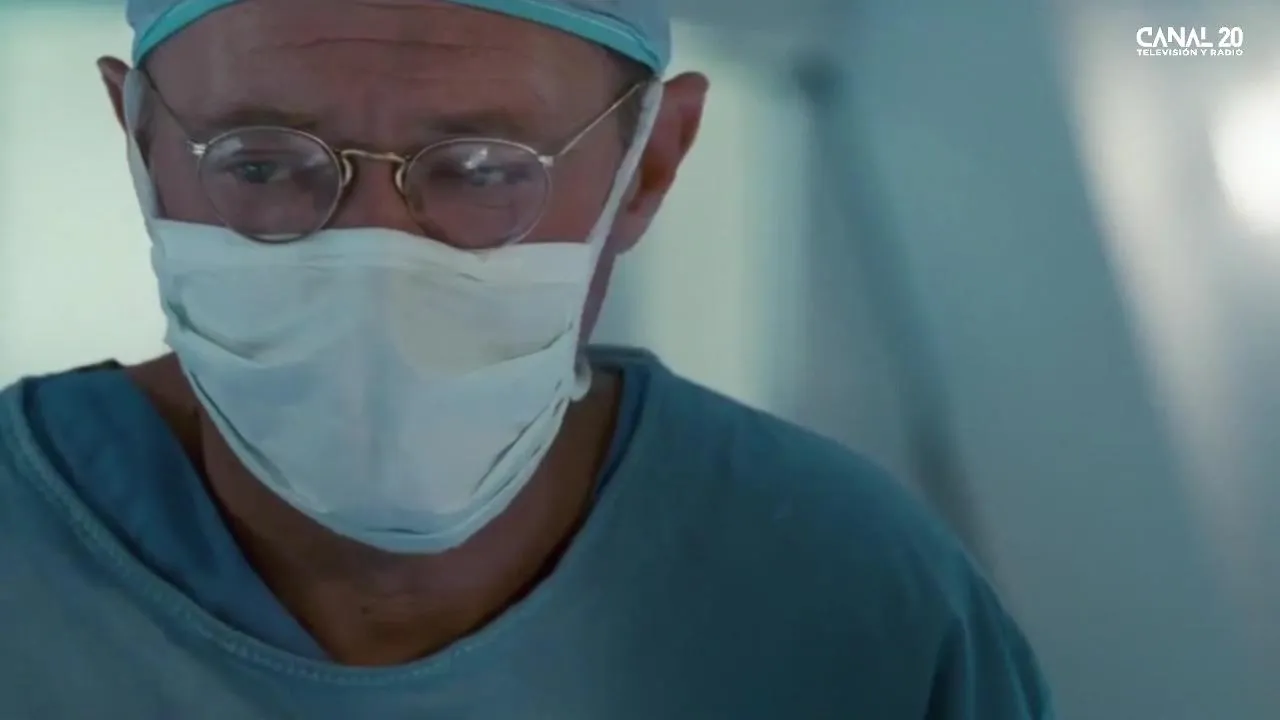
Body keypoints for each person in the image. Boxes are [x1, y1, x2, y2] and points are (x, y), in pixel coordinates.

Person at [0, 0, 1053, 717]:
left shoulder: (862, 604)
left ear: (650, 167)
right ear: (138, 143)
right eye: (264, 163)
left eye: (480, 169)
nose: (376, 255)